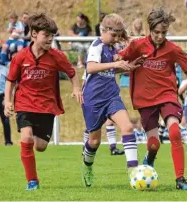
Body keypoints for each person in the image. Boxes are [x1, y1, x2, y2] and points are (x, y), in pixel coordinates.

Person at [117, 8, 187, 190]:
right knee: (153, 144)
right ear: (149, 29)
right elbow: (118, 62)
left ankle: (180, 180)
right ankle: (149, 158)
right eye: (156, 32)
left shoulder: (173, 49)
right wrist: (129, 66)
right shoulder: (137, 46)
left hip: (167, 96)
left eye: (163, 33)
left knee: (174, 132)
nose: (159, 36)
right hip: (145, 99)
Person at [4, 13, 83, 191]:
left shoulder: (56, 56)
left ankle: (33, 157)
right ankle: (32, 181)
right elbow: (10, 80)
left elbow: (71, 73)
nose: (49, 39)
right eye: (46, 35)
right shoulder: (20, 57)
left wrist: (76, 88)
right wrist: (7, 101)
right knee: (26, 137)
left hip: (47, 105)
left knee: (40, 146)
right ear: (34, 34)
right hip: (24, 103)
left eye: (52, 36)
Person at [81, 13, 141, 188]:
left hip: (111, 96)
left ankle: (133, 173)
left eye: (118, 36)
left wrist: (127, 67)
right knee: (94, 141)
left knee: (128, 127)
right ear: (104, 30)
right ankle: (87, 166)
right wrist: (115, 64)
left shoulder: (112, 48)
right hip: (93, 99)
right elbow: (91, 67)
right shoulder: (97, 45)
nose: (116, 39)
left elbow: (109, 71)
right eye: (113, 35)